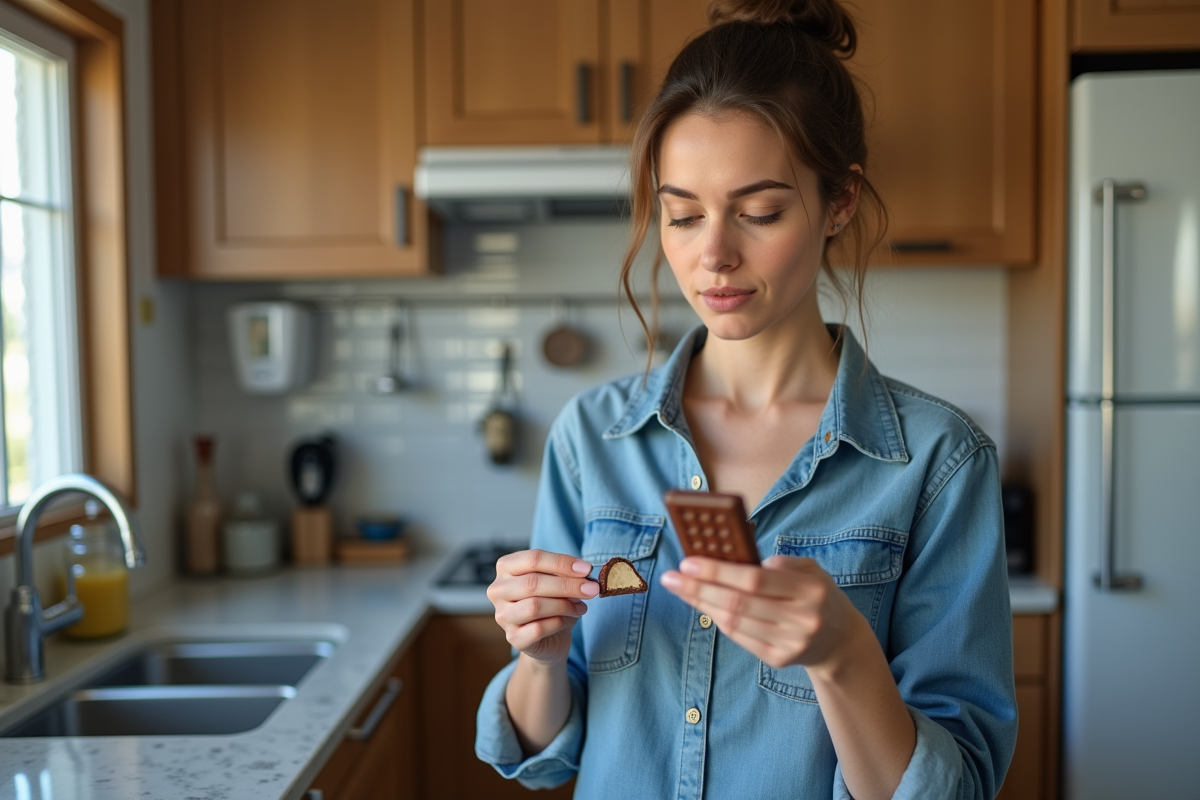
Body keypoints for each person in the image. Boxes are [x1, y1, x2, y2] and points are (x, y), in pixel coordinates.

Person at [475, 1, 1018, 798]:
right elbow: (545, 753)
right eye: (682, 215)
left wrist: (844, 658)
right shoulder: (591, 436)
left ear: (839, 202)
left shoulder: (939, 462)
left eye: (759, 212)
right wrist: (540, 656)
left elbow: (958, 786)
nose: (713, 255)